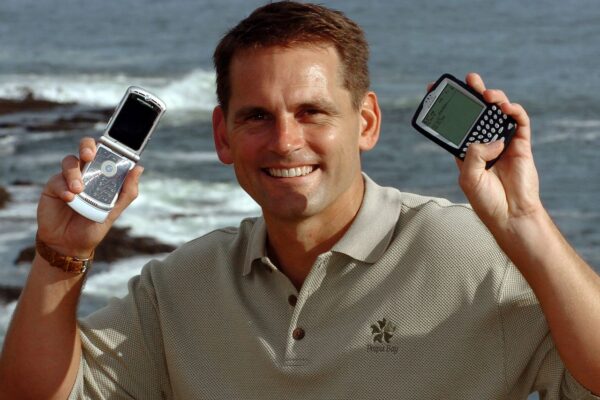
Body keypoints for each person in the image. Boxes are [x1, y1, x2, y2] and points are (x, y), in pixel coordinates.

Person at [1, 2, 599, 399]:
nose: (285, 141)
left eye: (312, 112)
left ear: (366, 122)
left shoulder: (474, 255)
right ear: (222, 136)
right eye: (257, 116)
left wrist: (525, 220)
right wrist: (60, 253)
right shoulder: (179, 288)